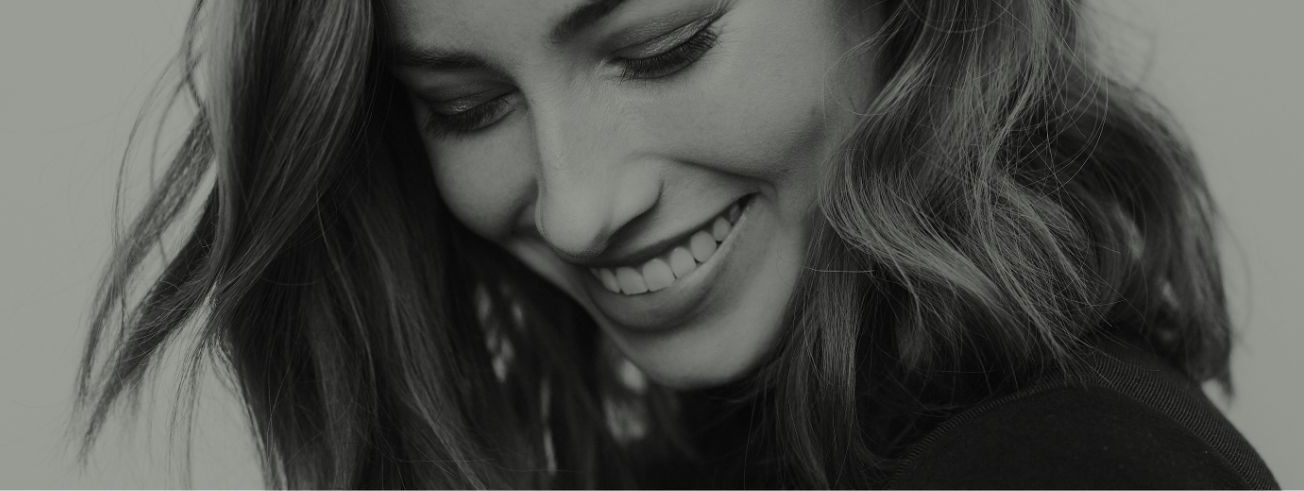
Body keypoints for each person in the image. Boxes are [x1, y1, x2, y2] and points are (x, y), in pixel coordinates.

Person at [75, 0, 1279, 488]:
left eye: (661, 45)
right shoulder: (725, 446)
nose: (576, 206)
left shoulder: (1070, 470)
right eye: (464, 106)